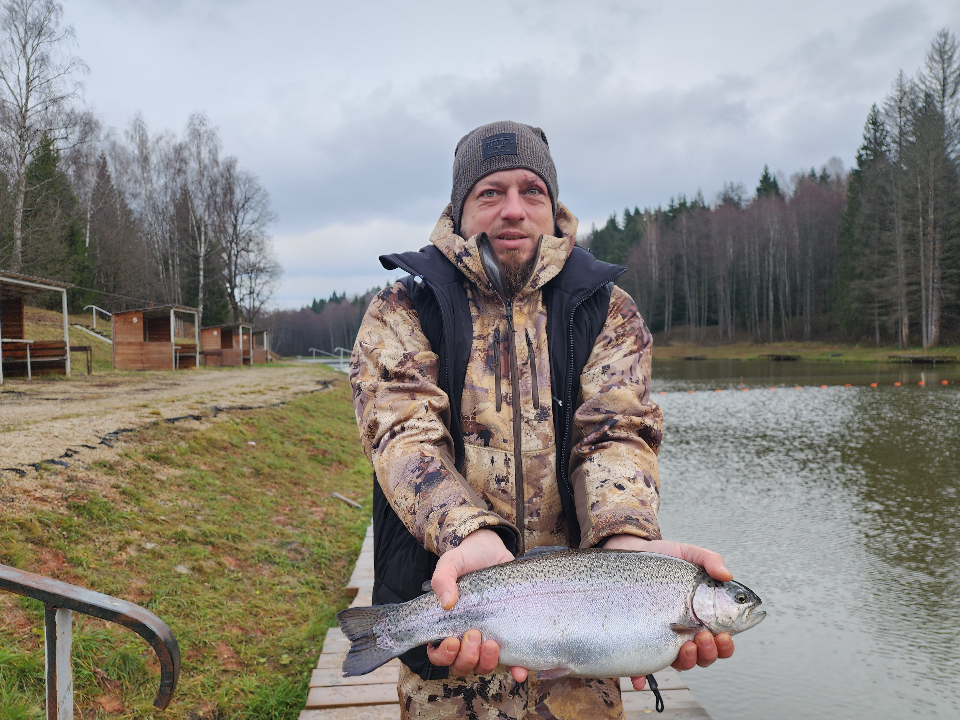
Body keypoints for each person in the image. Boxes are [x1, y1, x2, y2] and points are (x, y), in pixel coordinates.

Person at [349, 121, 734, 719]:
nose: (513, 210)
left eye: (532, 191)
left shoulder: (608, 311)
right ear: (460, 208)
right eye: (490, 192)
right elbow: (404, 436)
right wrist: (468, 536)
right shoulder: (403, 308)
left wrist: (627, 537)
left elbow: (616, 435)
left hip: (588, 649)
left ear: (553, 208)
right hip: (452, 628)